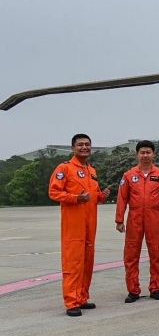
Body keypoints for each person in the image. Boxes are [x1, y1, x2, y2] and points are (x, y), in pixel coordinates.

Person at [48, 134, 112, 317]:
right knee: (73, 263)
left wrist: (103, 196)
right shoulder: (65, 168)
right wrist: (75, 198)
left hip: (90, 225)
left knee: (87, 263)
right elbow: (54, 192)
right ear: (72, 148)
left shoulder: (92, 170)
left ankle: (82, 297)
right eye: (80, 145)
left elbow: (94, 196)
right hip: (73, 225)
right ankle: (71, 302)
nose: (84, 147)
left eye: (87, 144)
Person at [115, 140, 159, 303]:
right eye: (142, 152)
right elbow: (122, 198)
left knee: (156, 253)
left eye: (148, 152)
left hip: (154, 217)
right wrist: (119, 219)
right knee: (131, 254)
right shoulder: (128, 175)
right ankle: (133, 290)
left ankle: (156, 288)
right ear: (137, 154)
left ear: (153, 154)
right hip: (134, 217)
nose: (145, 155)